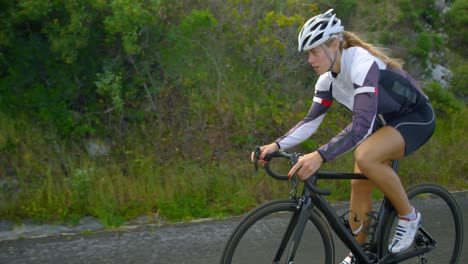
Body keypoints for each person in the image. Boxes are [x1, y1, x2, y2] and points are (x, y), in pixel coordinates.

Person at [253, 9, 436, 264]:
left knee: (366, 155)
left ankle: (409, 216)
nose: (310, 60)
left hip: (414, 117)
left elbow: (361, 125)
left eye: (315, 52)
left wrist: (319, 155)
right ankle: (358, 255)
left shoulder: (362, 63)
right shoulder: (326, 80)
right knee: (359, 182)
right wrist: (275, 145)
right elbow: (310, 121)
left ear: (335, 44)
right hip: (381, 123)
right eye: (308, 54)